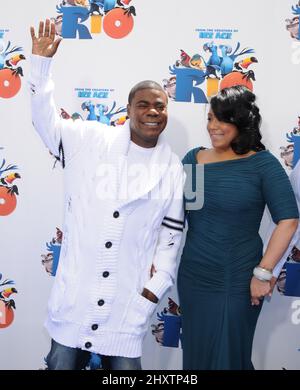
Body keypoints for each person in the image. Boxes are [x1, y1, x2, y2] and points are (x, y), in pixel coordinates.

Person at [29, 20, 184, 370]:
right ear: (128, 110)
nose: (153, 112)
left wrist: (149, 296)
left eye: (160, 105)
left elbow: (171, 238)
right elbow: (44, 122)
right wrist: (40, 66)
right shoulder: (89, 141)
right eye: (143, 104)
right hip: (74, 306)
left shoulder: (172, 168)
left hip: (126, 314)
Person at [178, 86, 299, 370]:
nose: (213, 127)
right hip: (195, 277)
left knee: (229, 357)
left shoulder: (263, 164)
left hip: (238, 279)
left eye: (222, 119)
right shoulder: (194, 160)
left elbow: (288, 220)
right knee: (197, 357)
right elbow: (180, 215)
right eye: (209, 118)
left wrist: (263, 272)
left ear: (242, 122)